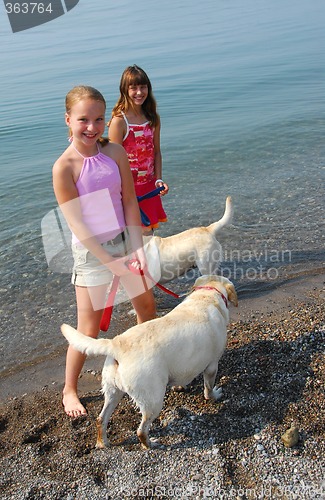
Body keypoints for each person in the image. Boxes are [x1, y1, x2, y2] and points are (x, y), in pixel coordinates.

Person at [52, 85, 157, 418]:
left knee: (147, 308)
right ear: (68, 120)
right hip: (91, 252)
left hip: (125, 240)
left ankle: (148, 367)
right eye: (83, 119)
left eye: (98, 119)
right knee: (89, 329)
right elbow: (79, 226)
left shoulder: (114, 153)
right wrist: (111, 262)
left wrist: (136, 249)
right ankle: (70, 389)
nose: (92, 127)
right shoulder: (64, 167)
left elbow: (128, 200)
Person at [108, 65, 169, 235]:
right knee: (131, 237)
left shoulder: (152, 117)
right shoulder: (119, 121)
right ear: (124, 90)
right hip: (127, 189)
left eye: (143, 87)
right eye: (133, 88)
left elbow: (156, 152)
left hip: (149, 186)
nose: (139, 92)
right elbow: (114, 161)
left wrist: (159, 179)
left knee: (148, 235)